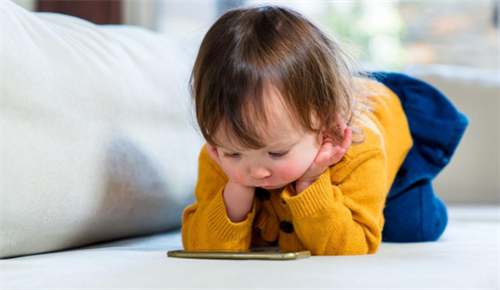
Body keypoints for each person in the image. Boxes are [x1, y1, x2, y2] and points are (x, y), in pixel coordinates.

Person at [181, 5, 469, 255]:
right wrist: (236, 192)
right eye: (234, 153)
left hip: (385, 122)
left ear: (326, 129)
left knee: (412, 225)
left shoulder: (359, 150)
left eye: (277, 152)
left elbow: (351, 247)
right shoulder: (223, 150)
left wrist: (310, 182)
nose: (256, 172)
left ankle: (417, 191)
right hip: (313, 111)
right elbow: (202, 246)